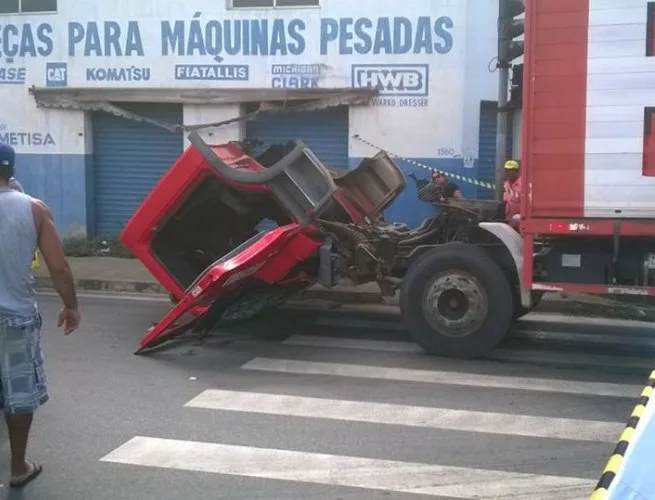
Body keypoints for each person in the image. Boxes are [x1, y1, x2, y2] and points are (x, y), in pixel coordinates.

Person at [0, 141, 80, 488]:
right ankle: (18, 466)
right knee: (18, 394)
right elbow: (58, 267)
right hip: (14, 318)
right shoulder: (33, 209)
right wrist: (71, 304)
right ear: (12, 170)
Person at [503, 159, 521, 229]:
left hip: (519, 219)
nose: (508, 172)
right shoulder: (506, 184)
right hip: (509, 218)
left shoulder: (523, 185)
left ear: (517, 171)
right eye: (507, 170)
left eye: (511, 170)